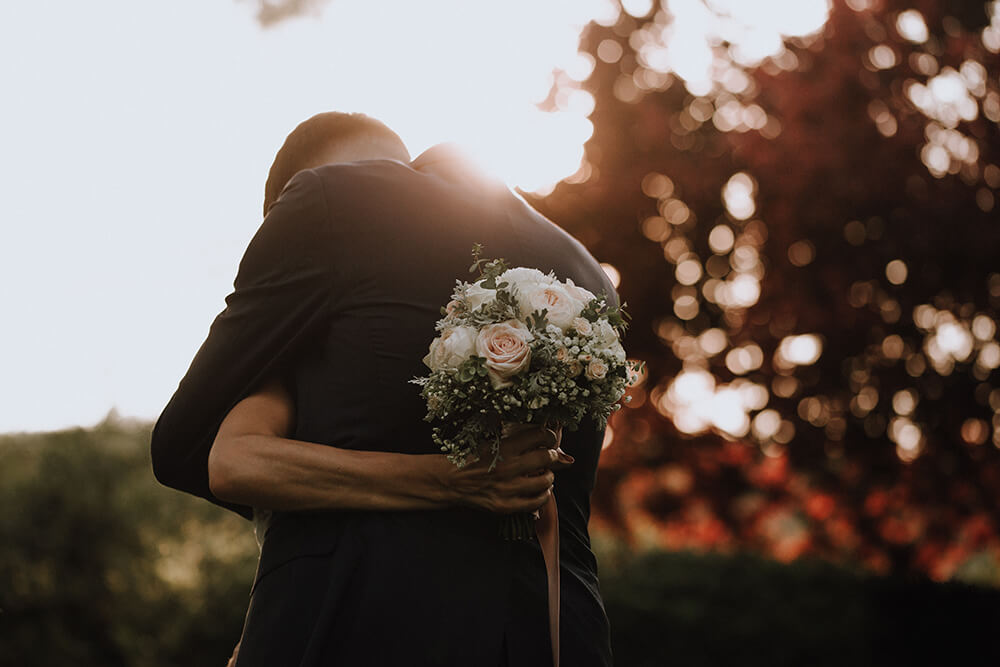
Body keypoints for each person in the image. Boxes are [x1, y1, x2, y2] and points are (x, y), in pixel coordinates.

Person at [151, 111, 616, 666]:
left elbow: (183, 444)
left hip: (364, 619)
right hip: (558, 629)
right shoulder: (586, 276)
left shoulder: (330, 201)